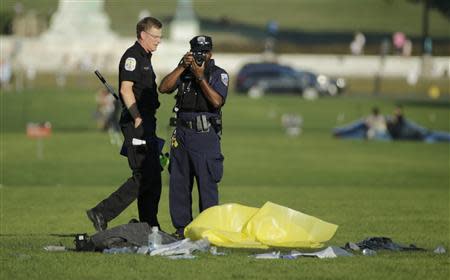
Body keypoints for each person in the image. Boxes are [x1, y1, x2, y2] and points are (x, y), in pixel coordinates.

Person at [86, 17, 163, 231]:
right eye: (155, 37)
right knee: (143, 175)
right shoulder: (132, 57)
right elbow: (125, 90)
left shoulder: (146, 57)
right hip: (137, 122)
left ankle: (150, 226)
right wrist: (137, 116)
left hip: (148, 122)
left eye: (160, 37)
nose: (158, 41)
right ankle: (101, 212)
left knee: (153, 175)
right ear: (143, 35)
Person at [158, 35, 228, 239]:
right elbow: (163, 88)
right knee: (179, 184)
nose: (200, 55)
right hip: (181, 134)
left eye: (204, 52)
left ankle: (208, 231)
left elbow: (216, 101)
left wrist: (200, 77)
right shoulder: (184, 72)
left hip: (205, 136)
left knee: (207, 184)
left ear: (210, 53)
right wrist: (182, 67)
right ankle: (182, 230)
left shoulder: (218, 74)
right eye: (196, 51)